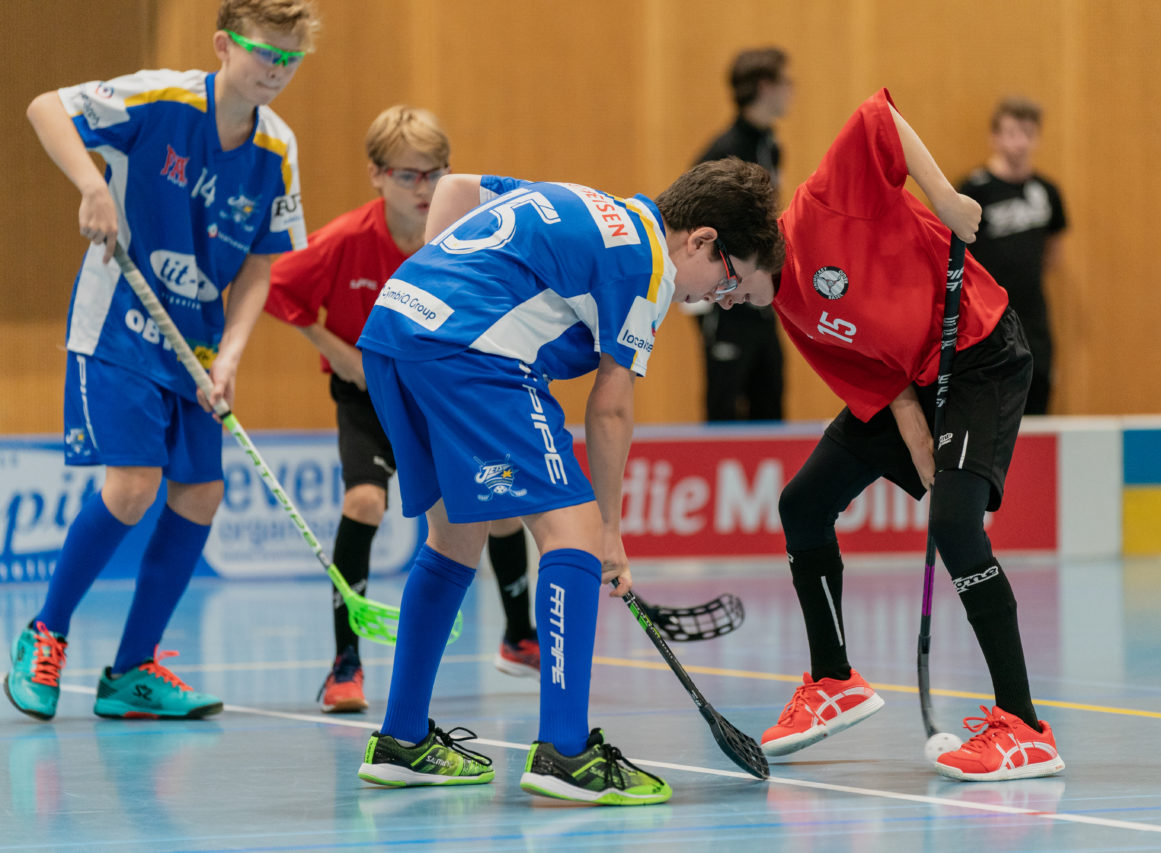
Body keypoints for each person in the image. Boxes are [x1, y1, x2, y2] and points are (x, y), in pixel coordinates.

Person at [352, 160, 783, 803]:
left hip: (395, 329)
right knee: (573, 536)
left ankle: (401, 740)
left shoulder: (590, 203)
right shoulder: (649, 269)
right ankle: (565, 752)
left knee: (454, 538)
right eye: (731, 282)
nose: (720, 299)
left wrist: (441, 276)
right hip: (473, 354)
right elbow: (610, 407)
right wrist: (609, 531)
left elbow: (457, 188)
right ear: (702, 239)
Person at [4, 0, 316, 722]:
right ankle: (44, 632)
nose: (277, 70)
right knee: (134, 486)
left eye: (291, 59)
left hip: (198, 348)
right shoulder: (161, 97)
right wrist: (91, 186)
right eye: (265, 52)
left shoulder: (278, 147)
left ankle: (134, 667)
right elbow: (43, 105)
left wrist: (232, 357)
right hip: (120, 325)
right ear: (222, 45)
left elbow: (263, 268)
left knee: (201, 493)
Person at [761, 88, 1065, 782]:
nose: (720, 300)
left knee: (956, 527)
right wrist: (913, 424)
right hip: (919, 381)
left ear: (744, 248)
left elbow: (878, 116)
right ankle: (833, 678)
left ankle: (1023, 726)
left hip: (980, 351)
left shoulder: (820, 208)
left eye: (720, 283)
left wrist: (950, 200)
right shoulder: (784, 297)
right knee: (802, 505)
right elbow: (872, 372)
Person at [264, 106, 539, 714]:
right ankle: (345, 663)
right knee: (364, 500)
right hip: (367, 395)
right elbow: (274, 287)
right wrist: (335, 350)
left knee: (496, 504)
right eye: (409, 175)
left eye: (436, 173)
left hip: (441, 392)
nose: (425, 188)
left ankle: (519, 636)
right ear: (377, 176)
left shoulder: (466, 231)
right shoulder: (343, 241)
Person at [689, 47, 794, 422]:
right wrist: (704, 308)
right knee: (724, 407)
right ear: (766, 86)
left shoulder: (770, 145)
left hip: (761, 302)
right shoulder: (724, 154)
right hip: (726, 307)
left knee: (772, 400)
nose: (792, 90)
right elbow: (689, 232)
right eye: (787, 82)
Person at [956, 96, 1068, 415]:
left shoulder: (1048, 192)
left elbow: (1053, 254)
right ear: (995, 137)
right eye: (1010, 133)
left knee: (1037, 396)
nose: (1019, 143)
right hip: (985, 318)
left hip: (1033, 318)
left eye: (1027, 134)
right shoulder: (974, 190)